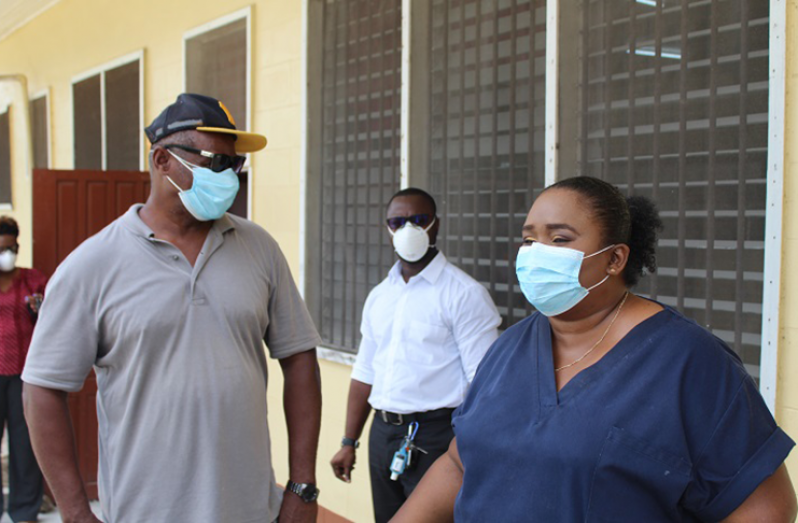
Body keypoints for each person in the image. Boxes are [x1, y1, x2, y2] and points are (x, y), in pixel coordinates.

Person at [392, 176, 797, 522]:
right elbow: (460, 463)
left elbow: (766, 508)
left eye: (559, 239)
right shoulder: (510, 348)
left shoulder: (688, 362)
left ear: (615, 258)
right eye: (529, 239)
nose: (536, 254)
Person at [21, 93, 323, 523]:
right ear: (162, 161)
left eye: (235, 166)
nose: (230, 177)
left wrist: (302, 486)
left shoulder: (259, 249)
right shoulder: (92, 266)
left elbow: (299, 359)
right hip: (144, 512)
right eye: (216, 163)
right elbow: (42, 389)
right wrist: (74, 511)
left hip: (251, 510)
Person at [330, 187, 501, 523]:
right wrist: (349, 440)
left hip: (438, 438)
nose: (408, 229)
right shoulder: (380, 296)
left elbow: (485, 384)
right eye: (398, 221)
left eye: (418, 220)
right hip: (383, 434)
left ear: (436, 226)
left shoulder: (464, 295)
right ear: (388, 229)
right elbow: (365, 371)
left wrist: (474, 452)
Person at [0, 217, 46, 523]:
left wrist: (40, 310)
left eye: (10, 247)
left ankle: (25, 510)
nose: (6, 253)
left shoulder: (33, 280)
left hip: (23, 374)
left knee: (24, 443)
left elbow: (55, 318)